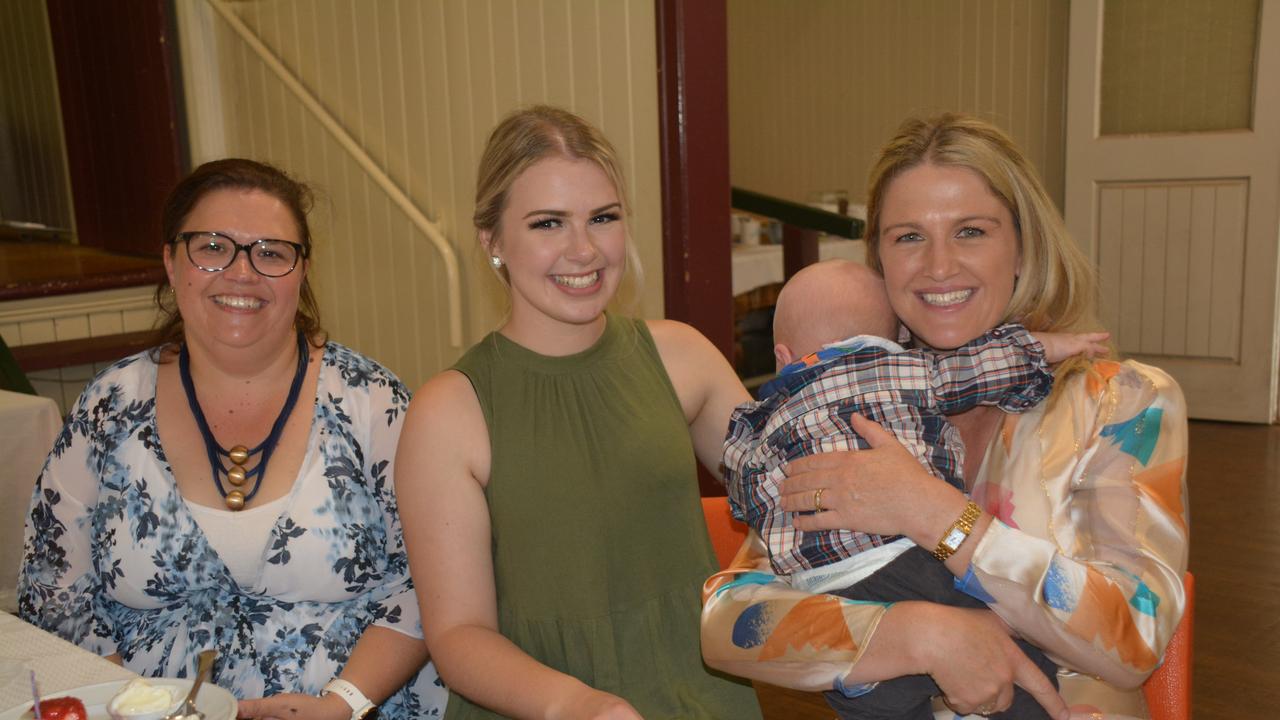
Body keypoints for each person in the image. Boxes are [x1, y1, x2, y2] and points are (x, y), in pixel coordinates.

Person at [702, 113, 1189, 720]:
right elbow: (729, 622)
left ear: (1022, 247)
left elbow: (1134, 640)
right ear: (878, 260)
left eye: (971, 232)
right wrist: (918, 635)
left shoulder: (1120, 404)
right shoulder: (841, 409)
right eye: (908, 237)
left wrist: (931, 512)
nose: (938, 266)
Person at [18, 159, 447, 719]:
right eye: (213, 246)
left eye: (271, 252)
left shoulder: (373, 402)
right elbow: (55, 590)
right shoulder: (109, 407)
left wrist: (343, 702)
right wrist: (132, 705)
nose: (242, 272)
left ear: (302, 272)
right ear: (172, 263)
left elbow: (431, 578)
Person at [396, 106, 761, 719]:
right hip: (540, 706)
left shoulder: (682, 357)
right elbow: (458, 636)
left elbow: (794, 494)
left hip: (702, 696)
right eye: (548, 223)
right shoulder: (449, 412)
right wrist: (581, 707)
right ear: (492, 240)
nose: (584, 249)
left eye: (603, 218)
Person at [725, 258, 1108, 719]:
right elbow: (979, 369)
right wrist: (1048, 347)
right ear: (892, 339)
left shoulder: (760, 421)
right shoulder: (901, 371)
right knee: (1010, 643)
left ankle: (871, 692)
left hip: (822, 591)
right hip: (904, 560)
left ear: (783, 357)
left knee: (877, 699)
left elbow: (746, 489)